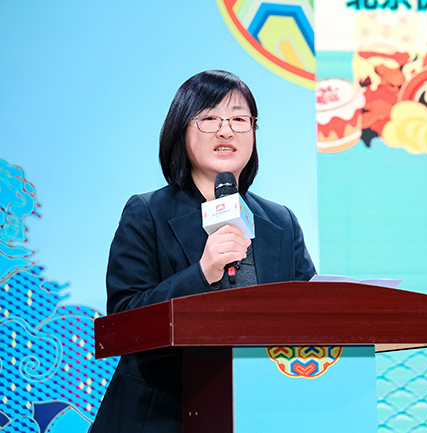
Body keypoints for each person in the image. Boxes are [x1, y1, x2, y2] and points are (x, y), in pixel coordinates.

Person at [91, 70, 316, 433]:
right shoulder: (147, 213)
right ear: (180, 131)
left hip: (257, 412)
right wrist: (201, 273)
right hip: (162, 415)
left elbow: (311, 313)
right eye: (209, 119)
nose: (226, 131)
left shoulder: (280, 221)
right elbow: (122, 321)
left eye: (239, 120)